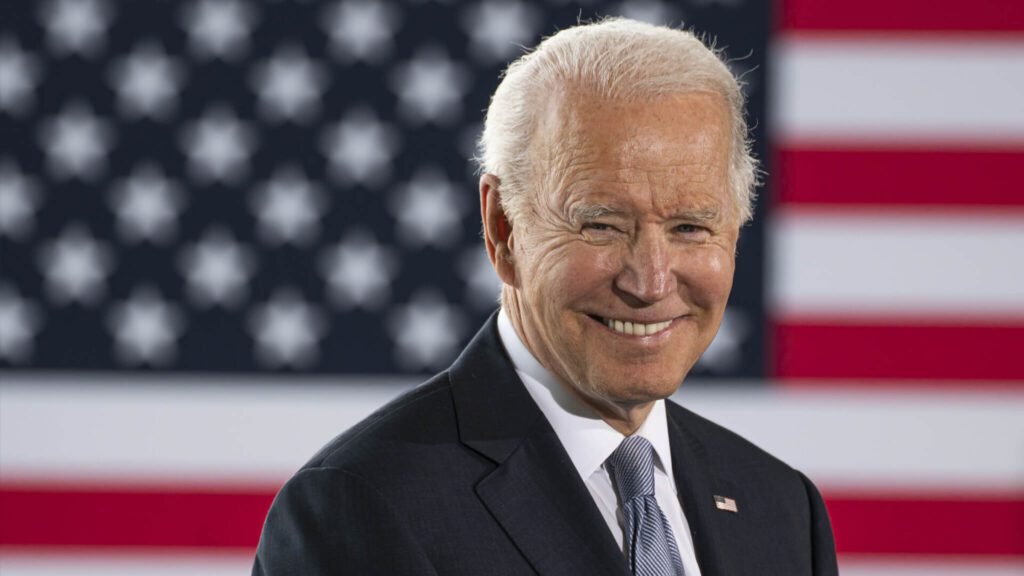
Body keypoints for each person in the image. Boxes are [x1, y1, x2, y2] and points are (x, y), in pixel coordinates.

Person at [253, 18, 838, 576]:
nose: (651, 282)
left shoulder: (781, 509)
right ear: (502, 228)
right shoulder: (363, 506)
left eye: (690, 227)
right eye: (602, 225)